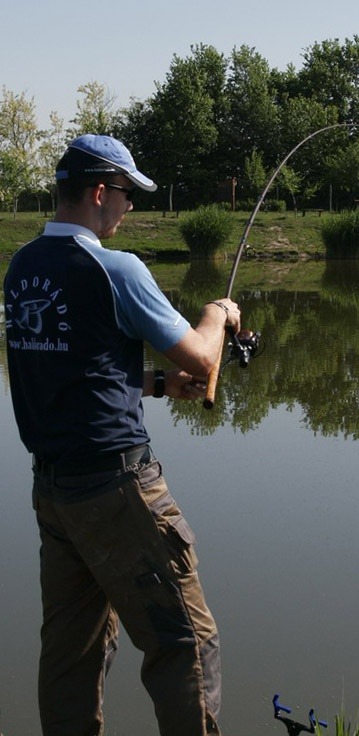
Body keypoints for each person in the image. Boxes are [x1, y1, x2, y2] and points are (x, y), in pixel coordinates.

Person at [3, 134, 241, 736]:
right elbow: (204, 358)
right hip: (119, 490)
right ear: (101, 192)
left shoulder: (23, 266)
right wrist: (219, 315)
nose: (130, 208)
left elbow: (73, 369)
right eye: (128, 195)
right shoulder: (117, 269)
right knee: (187, 645)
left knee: (71, 656)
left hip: (55, 495)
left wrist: (158, 385)